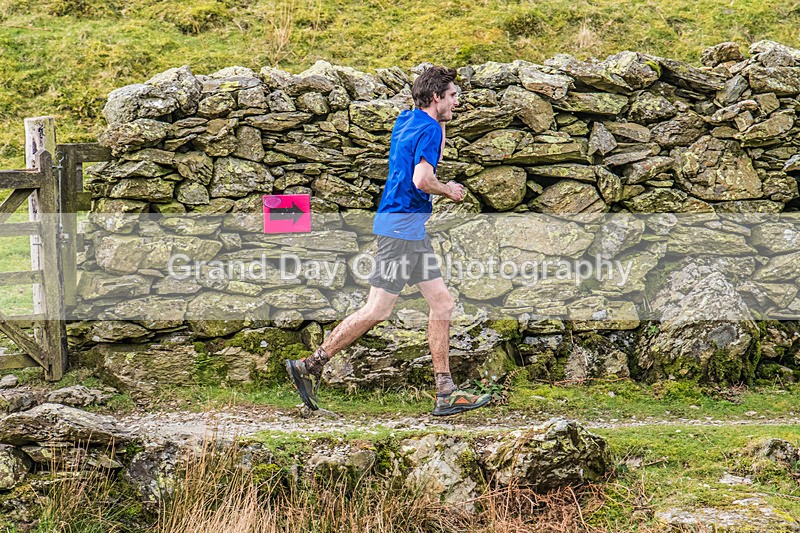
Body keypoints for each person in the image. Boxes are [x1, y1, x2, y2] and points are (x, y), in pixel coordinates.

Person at [286, 66, 491, 417]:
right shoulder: (428, 129)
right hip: (400, 233)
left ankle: (445, 391)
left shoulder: (407, 119)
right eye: (452, 95)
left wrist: (441, 119)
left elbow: (428, 138)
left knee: (442, 303)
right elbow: (422, 178)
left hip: (407, 231)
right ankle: (311, 364)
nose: (458, 100)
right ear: (435, 97)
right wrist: (449, 190)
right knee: (377, 310)